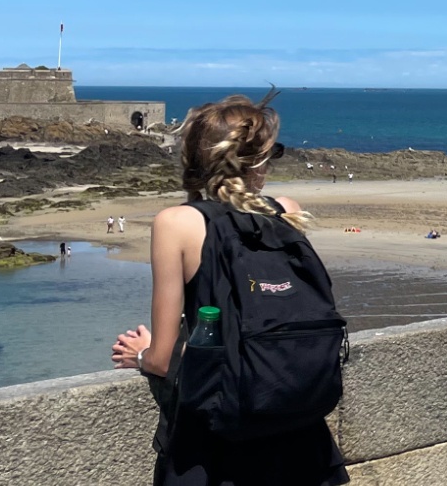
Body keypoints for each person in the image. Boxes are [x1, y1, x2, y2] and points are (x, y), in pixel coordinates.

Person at [107, 94, 348, 485]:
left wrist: (140, 354)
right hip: (302, 438)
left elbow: (164, 360)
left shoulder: (178, 223)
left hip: (221, 442)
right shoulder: (285, 209)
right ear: (256, 162)